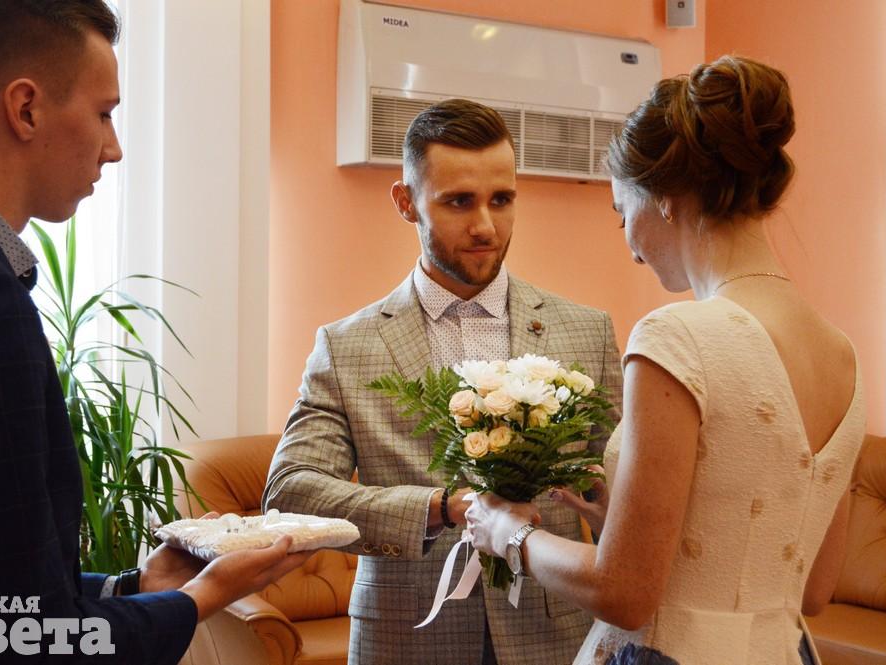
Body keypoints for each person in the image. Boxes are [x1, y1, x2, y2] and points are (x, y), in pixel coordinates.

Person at [0, 2, 308, 662]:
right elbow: (11, 635)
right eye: (103, 113)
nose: (114, 148)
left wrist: (137, 585)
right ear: (26, 109)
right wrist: (200, 598)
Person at [464, 55, 866, 665]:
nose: (629, 246)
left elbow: (624, 595)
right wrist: (625, 523)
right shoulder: (842, 353)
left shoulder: (675, 336)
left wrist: (508, 533)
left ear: (667, 200)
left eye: (622, 212)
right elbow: (813, 589)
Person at [262, 98, 623, 665]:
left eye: (501, 200)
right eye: (458, 201)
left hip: (554, 635)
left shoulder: (587, 332)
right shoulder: (346, 346)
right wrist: (442, 507)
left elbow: (622, 495)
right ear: (406, 202)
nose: (485, 226)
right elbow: (291, 491)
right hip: (407, 640)